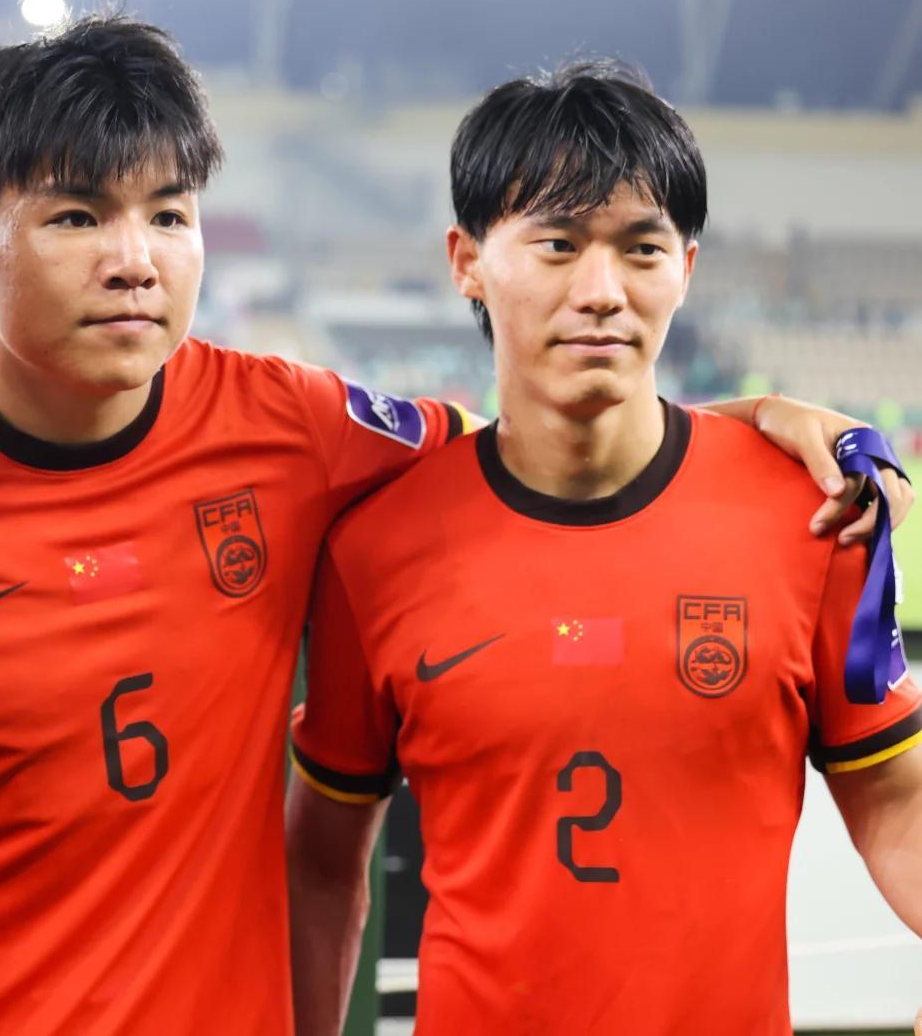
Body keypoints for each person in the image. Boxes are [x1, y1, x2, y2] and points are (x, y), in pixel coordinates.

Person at [0, 18, 907, 1033]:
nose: (134, 261)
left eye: (169, 215)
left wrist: (757, 426)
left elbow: (537, 439)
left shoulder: (294, 428)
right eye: (78, 216)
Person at [285, 60, 922, 1034]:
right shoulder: (372, 551)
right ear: (465, 260)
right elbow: (323, 859)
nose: (600, 291)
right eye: (556, 243)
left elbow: (893, 803)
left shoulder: (815, 518)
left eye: (640, 248)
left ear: (686, 270)